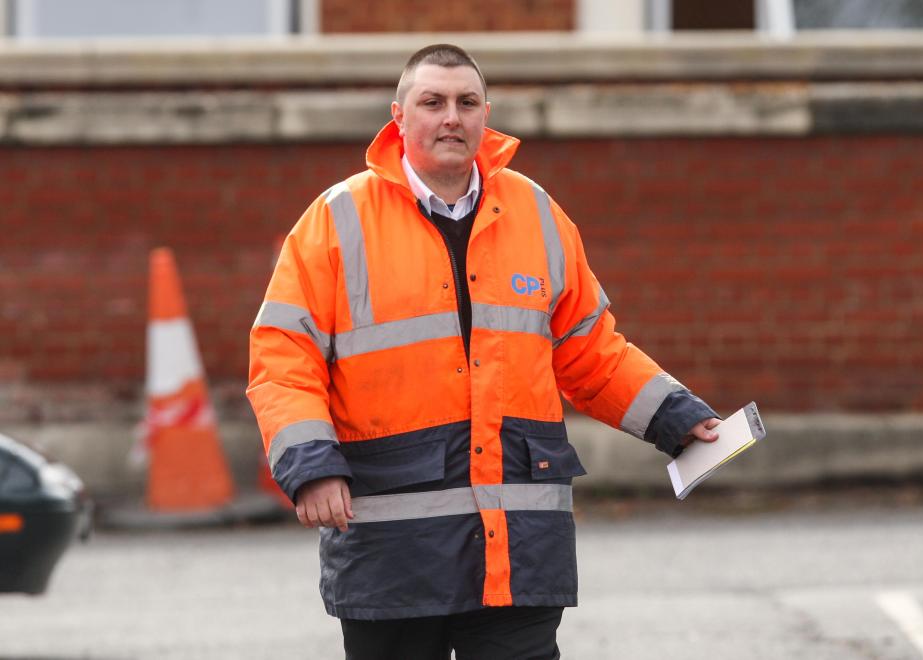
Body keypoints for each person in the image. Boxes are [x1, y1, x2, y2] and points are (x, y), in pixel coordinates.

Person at [248, 43, 721, 660]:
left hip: (515, 550)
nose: (452, 117)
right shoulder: (337, 221)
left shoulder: (537, 214)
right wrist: (310, 465)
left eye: (466, 102)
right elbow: (283, 355)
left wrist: (678, 418)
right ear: (399, 116)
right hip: (395, 555)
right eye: (433, 102)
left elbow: (590, 351)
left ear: (485, 115)